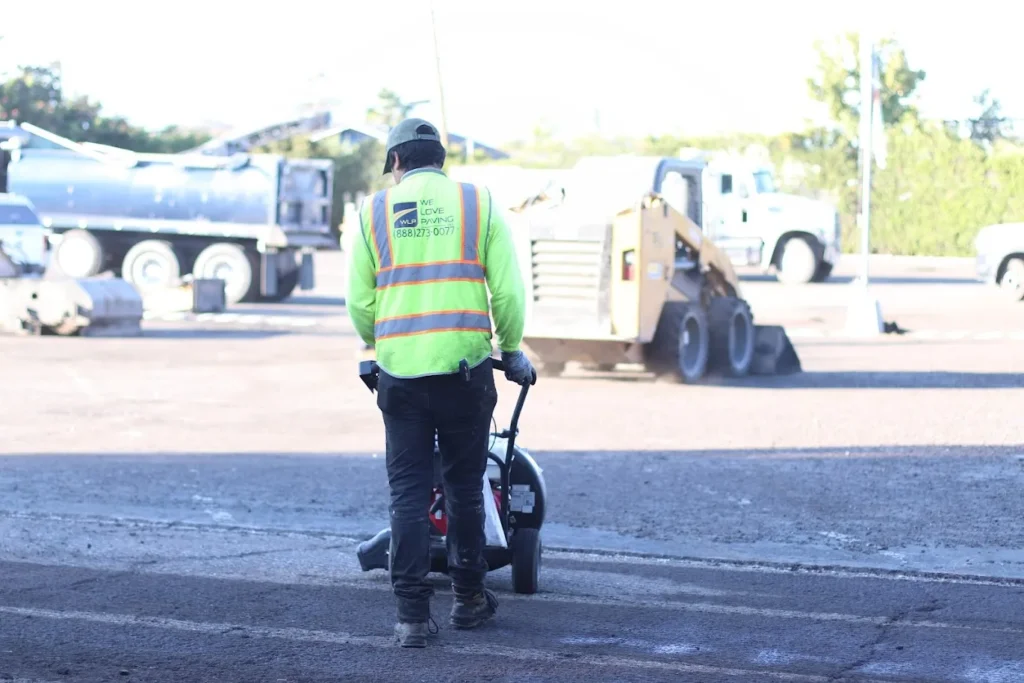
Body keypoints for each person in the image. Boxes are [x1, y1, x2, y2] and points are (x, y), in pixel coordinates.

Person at [346, 117, 536, 648]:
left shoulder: (373, 212)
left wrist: (383, 342)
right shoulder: (479, 204)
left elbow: (359, 305)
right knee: (464, 488)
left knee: (406, 494)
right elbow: (508, 293)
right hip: (464, 372)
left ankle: (410, 617)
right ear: (440, 159)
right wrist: (513, 349)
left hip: (400, 375)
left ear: (397, 163)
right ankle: (469, 601)